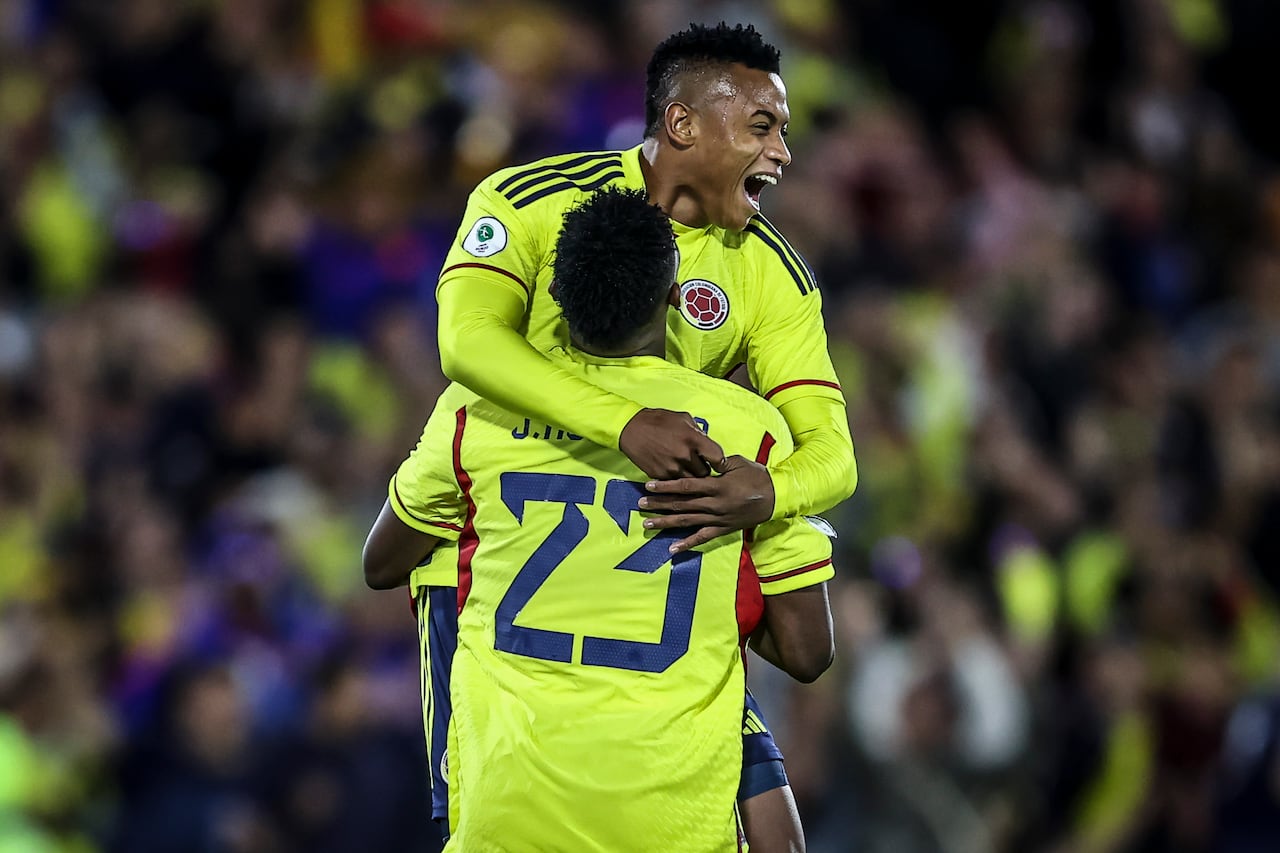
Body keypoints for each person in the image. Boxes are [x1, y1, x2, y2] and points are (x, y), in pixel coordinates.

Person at [364, 187, 835, 851]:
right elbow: (810, 650)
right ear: (675, 297)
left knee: (443, 562)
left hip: (508, 812)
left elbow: (380, 562)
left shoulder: (478, 408)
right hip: (669, 816)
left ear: (552, 291)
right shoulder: (745, 432)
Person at [434, 22, 857, 555]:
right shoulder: (528, 201)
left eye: (783, 133)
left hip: (639, 544)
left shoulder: (773, 272)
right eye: (760, 127)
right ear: (682, 123)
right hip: (489, 529)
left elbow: (833, 452)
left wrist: (776, 489)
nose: (782, 153)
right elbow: (465, 338)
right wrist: (625, 424)